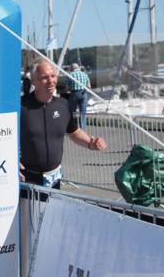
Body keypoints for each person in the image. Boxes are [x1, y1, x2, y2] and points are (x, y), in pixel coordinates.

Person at [20, 60, 106, 189]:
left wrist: (91, 143)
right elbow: (2, 137)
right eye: (44, 77)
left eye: (53, 76)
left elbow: (74, 132)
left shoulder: (63, 105)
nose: (50, 81)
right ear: (33, 81)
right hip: (27, 179)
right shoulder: (21, 106)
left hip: (54, 179)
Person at [67, 62, 91, 130]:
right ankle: (83, 129)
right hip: (84, 93)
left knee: (72, 111)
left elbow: (68, 87)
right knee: (83, 112)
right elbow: (89, 86)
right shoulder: (84, 74)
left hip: (74, 93)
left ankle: (73, 128)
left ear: (72, 68)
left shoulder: (71, 75)